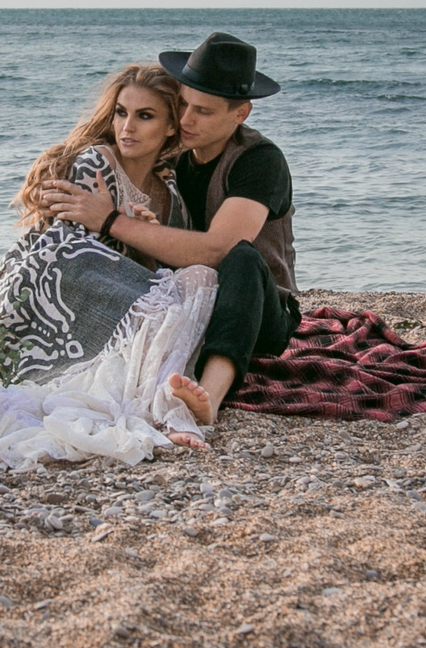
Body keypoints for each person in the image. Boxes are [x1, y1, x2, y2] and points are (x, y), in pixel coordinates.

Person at [0, 64, 218, 469]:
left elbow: (152, 271)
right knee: (149, 293)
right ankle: (163, 401)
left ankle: (166, 397)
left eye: (145, 116)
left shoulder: (169, 192)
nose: (128, 127)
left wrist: (141, 234)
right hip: (52, 285)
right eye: (121, 112)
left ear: (172, 127)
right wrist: (122, 228)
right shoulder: (97, 162)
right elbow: (70, 249)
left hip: (105, 287)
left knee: (197, 283)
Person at [39, 32, 296, 430]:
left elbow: (217, 250)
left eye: (204, 112)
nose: (186, 121)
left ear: (240, 114)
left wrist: (110, 220)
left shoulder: (260, 161)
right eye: (183, 105)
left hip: (261, 313)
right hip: (195, 304)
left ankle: (209, 397)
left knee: (241, 256)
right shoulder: (174, 162)